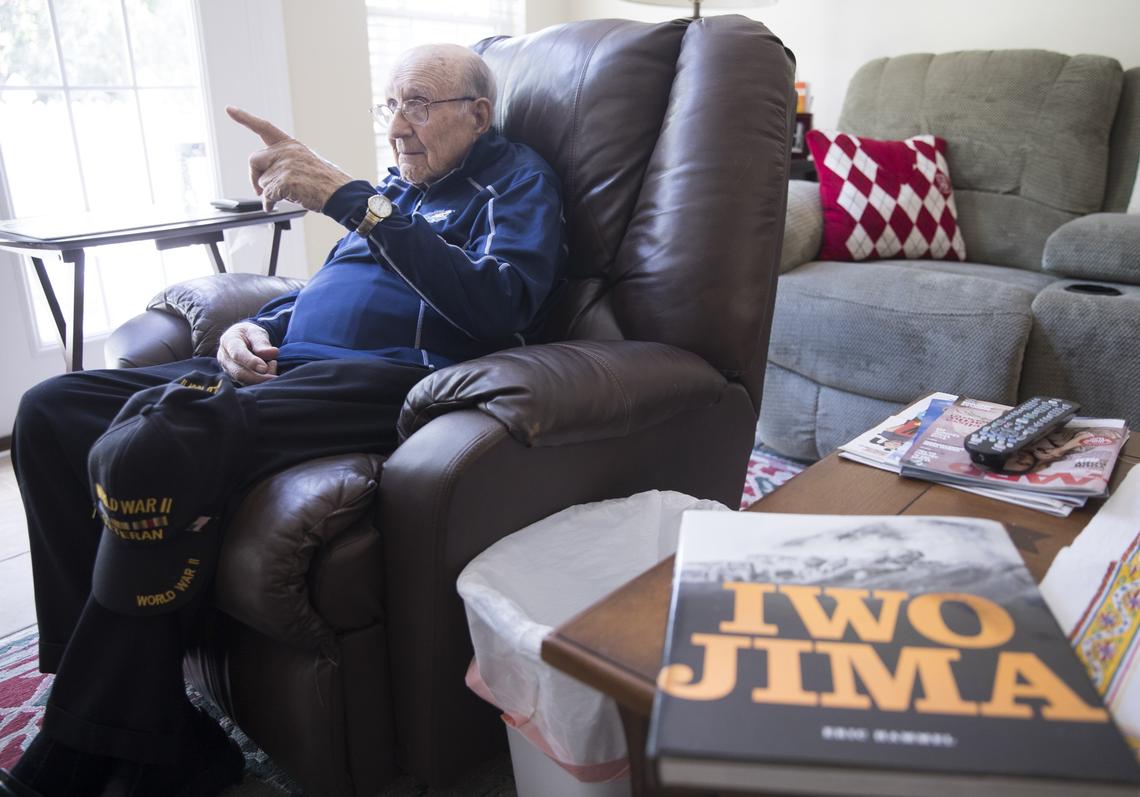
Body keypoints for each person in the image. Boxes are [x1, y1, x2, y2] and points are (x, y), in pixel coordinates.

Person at [1, 42, 565, 797]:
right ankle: (132, 706)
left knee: (152, 443)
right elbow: (332, 284)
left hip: (382, 380)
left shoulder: (513, 181)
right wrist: (253, 326)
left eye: (418, 104)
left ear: (478, 114)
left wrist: (354, 200)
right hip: (285, 364)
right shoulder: (400, 187)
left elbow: (497, 303)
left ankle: (85, 743)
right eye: (390, 103)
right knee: (50, 412)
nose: (398, 124)